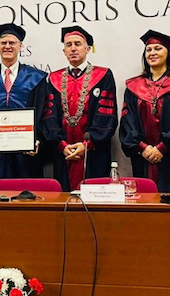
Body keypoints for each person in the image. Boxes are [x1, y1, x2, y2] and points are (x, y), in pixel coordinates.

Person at [120, 30, 170, 191]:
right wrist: (143, 147)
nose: (152, 53)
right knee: (144, 201)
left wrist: (162, 148)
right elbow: (128, 122)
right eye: (149, 50)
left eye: (158, 48)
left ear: (168, 53)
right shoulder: (133, 86)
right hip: (142, 157)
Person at [41, 26, 118, 190]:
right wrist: (61, 145)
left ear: (88, 48)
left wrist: (87, 145)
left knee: (95, 199)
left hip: (94, 152)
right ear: (64, 51)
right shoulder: (53, 79)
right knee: (64, 201)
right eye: (69, 45)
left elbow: (106, 115)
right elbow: (49, 116)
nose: (73, 48)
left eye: (78, 44)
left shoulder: (103, 76)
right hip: (63, 153)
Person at [0, 23, 48, 180]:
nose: (7, 46)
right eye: (3, 43)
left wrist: (38, 139)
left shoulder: (36, 78)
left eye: (12, 43)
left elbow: (43, 113)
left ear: (20, 46)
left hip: (26, 155)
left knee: (26, 196)